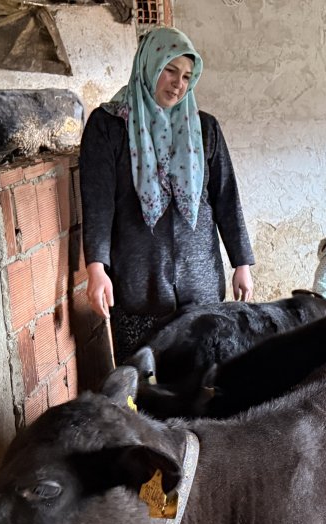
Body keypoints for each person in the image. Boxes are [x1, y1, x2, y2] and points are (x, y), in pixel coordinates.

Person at [80, 27, 254, 360]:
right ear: (149, 66)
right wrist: (96, 269)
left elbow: (226, 197)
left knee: (202, 386)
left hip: (200, 284)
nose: (178, 83)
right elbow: (98, 203)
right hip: (137, 285)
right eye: (170, 70)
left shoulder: (205, 128)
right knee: (144, 389)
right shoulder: (108, 125)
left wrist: (241, 263)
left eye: (188, 76)